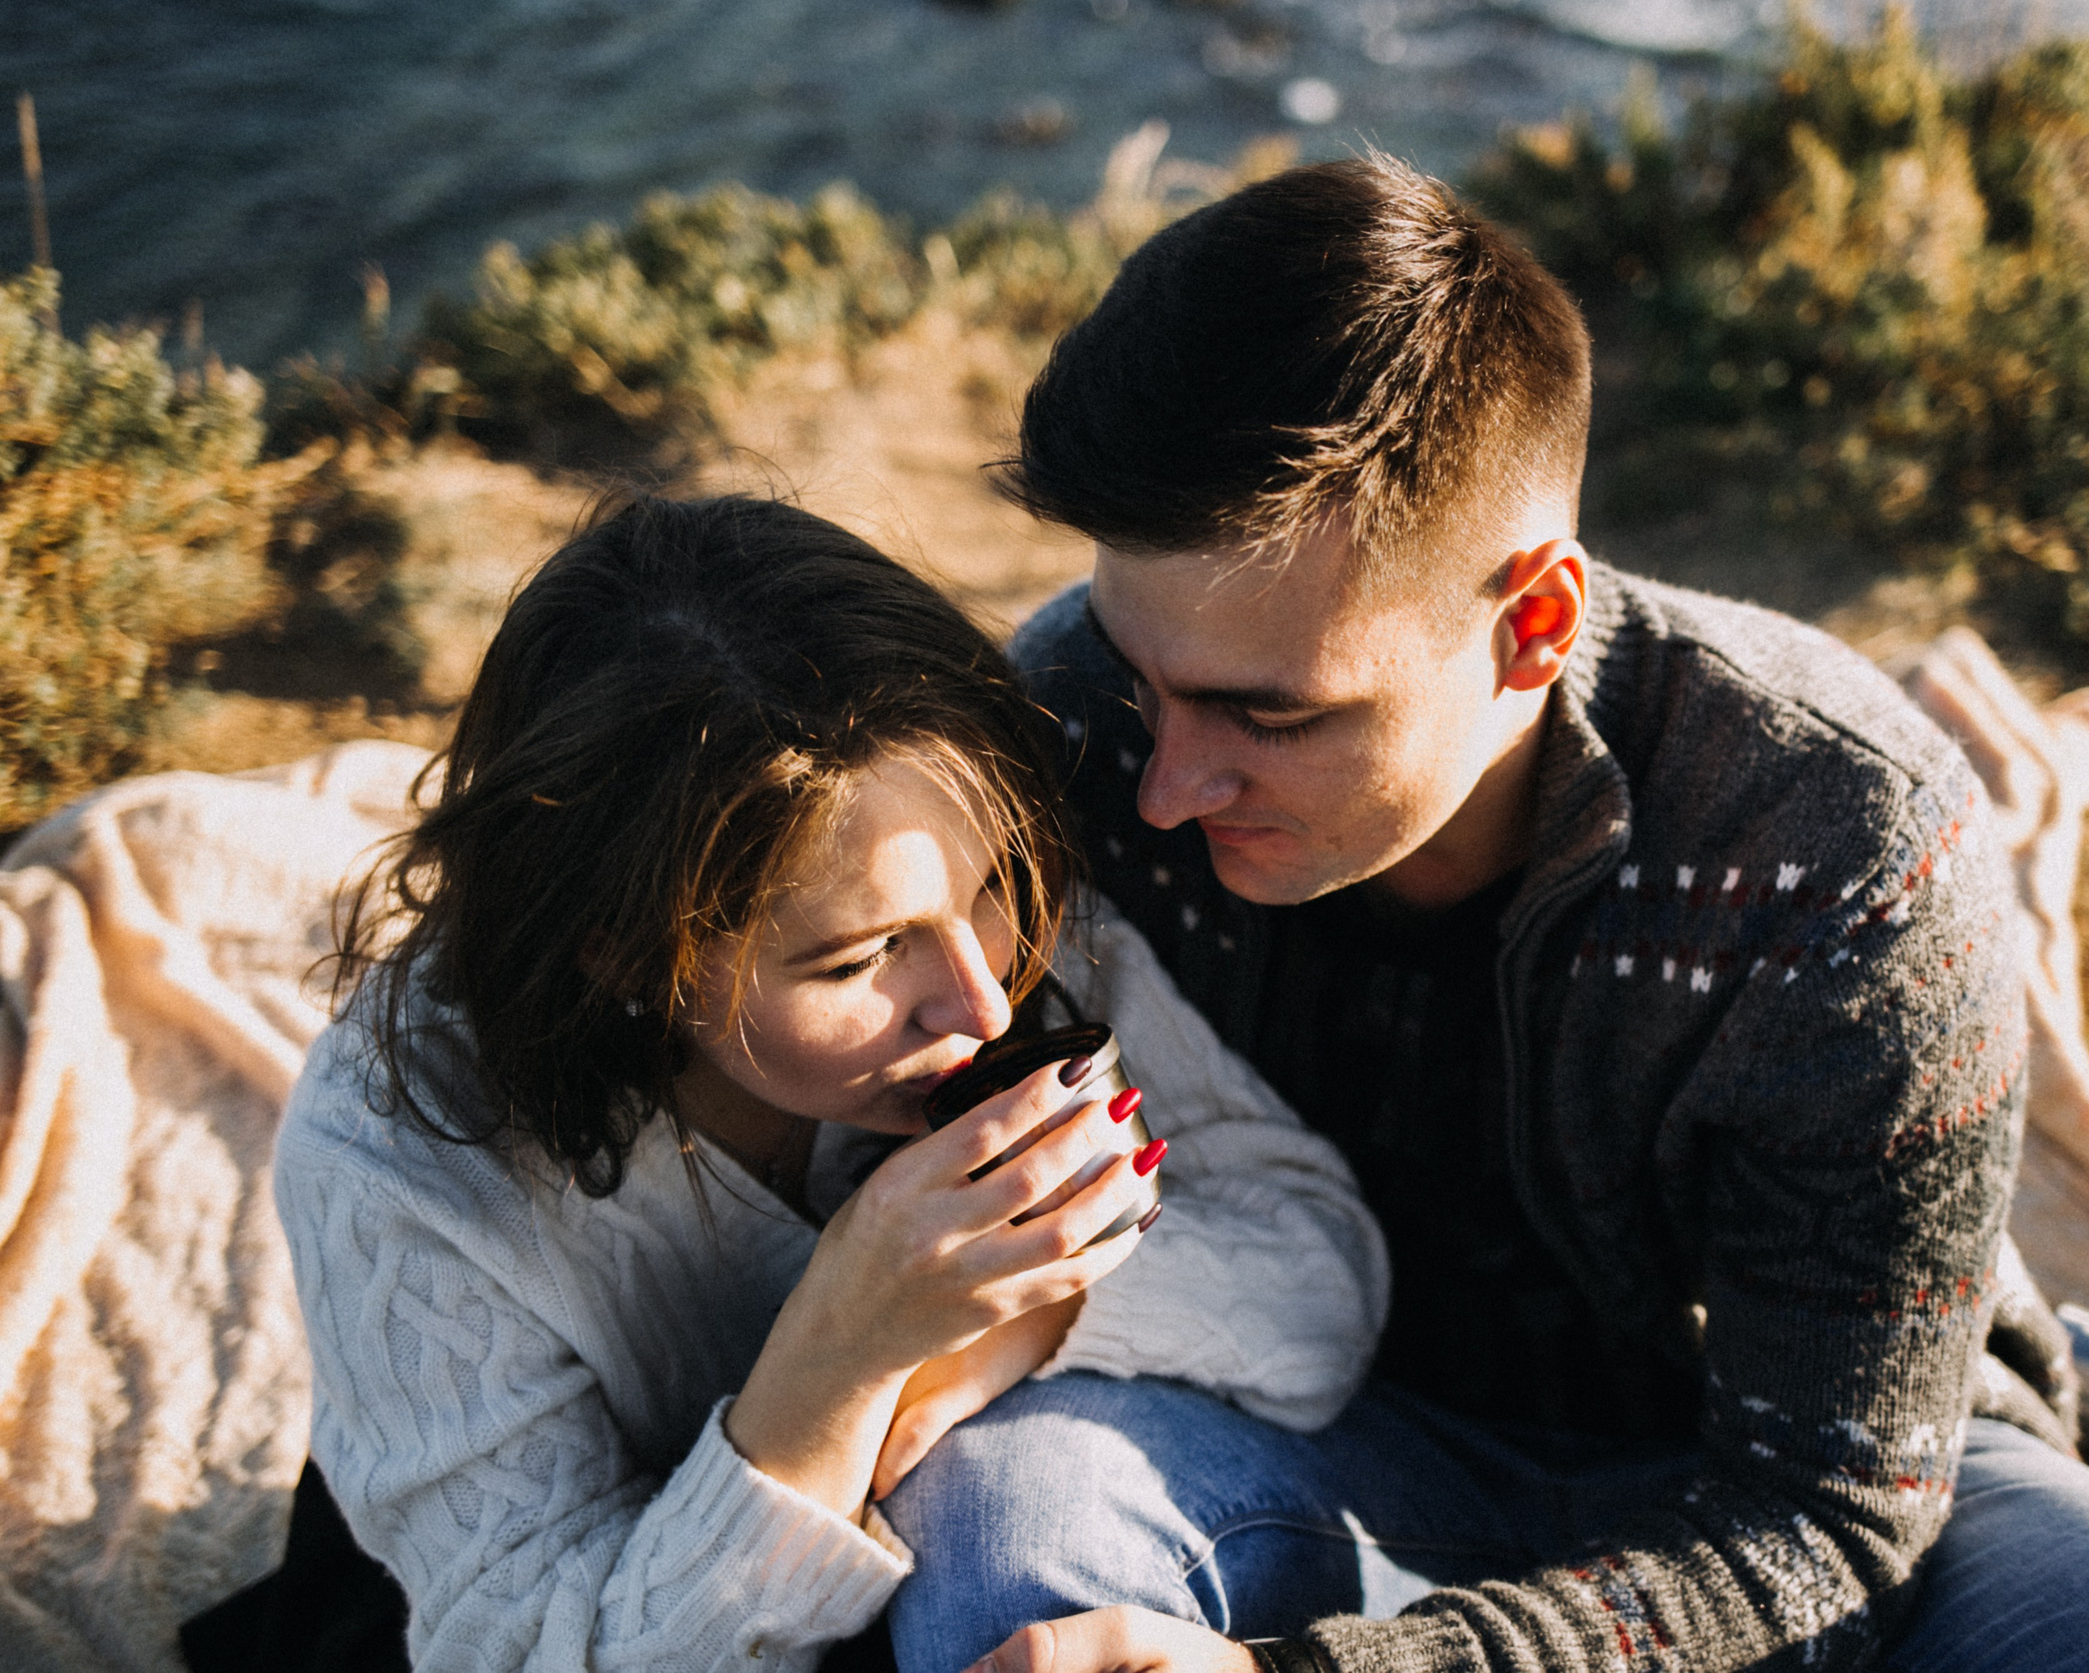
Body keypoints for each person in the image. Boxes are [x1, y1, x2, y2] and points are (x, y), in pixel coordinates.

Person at [878, 159, 2089, 1673]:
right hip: (1328, 1428)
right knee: (1005, 1544)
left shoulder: (1842, 849)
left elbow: (1833, 1521)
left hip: (1822, 1493)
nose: (1164, 786)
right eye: (1146, 678)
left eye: (1270, 714)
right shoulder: (1076, 716)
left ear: (1531, 622)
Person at [270, 496, 1389, 1672]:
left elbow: (1321, 1281)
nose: (984, 1002)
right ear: (629, 957)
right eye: (860, 958)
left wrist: (1016, 1320)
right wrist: (835, 1364)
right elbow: (526, 1650)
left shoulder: (974, 888)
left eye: (993, 884)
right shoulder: (400, 1158)